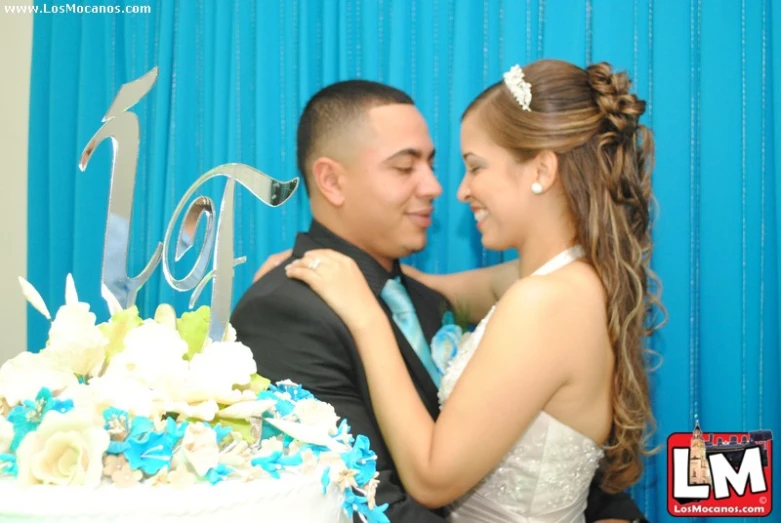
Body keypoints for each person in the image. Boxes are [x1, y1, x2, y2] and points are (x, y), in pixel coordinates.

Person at [232, 74, 647, 522]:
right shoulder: (287, 312)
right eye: (405, 167)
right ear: (332, 181)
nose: (441, 188)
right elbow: (360, 504)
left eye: (467, 166)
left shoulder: (525, 298)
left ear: (543, 171)